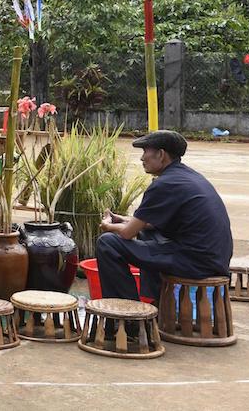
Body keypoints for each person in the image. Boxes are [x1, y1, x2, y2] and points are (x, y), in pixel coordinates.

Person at [96, 130, 232, 304]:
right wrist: (123, 220)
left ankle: (127, 313)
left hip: (196, 262)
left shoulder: (164, 184)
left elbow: (127, 234)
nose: (142, 158)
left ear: (161, 155)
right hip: (212, 258)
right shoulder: (186, 177)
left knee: (108, 243)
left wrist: (108, 225)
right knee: (148, 234)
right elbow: (149, 223)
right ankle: (158, 302)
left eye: (145, 152)